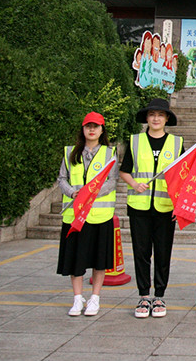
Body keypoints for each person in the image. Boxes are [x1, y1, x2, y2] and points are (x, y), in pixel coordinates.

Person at [119, 98, 184, 319]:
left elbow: (184, 177)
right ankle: (144, 296)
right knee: (141, 252)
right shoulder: (135, 141)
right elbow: (124, 171)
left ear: (167, 119)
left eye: (160, 115)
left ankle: (159, 296)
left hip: (166, 207)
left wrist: (179, 206)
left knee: (163, 253)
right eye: (152, 114)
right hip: (139, 206)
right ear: (146, 118)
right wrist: (134, 184)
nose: (156, 118)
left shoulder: (176, 143)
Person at [57, 112, 117, 317]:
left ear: (102, 130)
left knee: (99, 260)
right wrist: (72, 192)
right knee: (75, 259)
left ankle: (95, 298)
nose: (92, 130)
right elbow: (62, 178)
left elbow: (112, 181)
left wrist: (91, 193)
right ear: (82, 129)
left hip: (99, 216)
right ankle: (77, 298)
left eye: (96, 126)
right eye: (88, 126)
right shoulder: (70, 152)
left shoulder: (110, 153)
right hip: (74, 216)